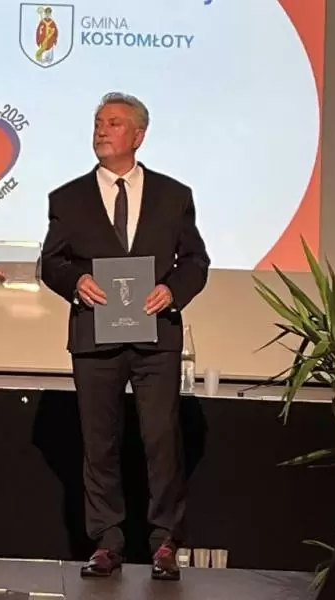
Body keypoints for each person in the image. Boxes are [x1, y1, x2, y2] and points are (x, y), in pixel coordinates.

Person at [40, 92, 210, 580]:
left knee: (162, 440)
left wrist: (172, 291)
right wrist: (76, 281)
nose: (101, 129)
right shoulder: (67, 198)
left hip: (156, 336)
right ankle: (107, 541)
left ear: (139, 135)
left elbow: (195, 261)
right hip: (95, 336)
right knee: (99, 443)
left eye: (113, 123)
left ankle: (164, 542)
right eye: (98, 122)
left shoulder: (173, 195)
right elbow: (51, 262)